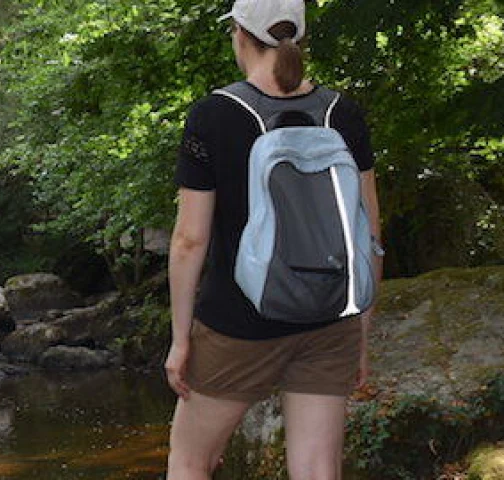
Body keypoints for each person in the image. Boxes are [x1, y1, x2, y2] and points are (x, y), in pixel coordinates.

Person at [163, 0, 382, 478]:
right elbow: (368, 231)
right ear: (300, 39)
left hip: (238, 322)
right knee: (317, 469)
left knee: (190, 459)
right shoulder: (343, 112)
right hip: (330, 316)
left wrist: (180, 341)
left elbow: (188, 241)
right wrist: (360, 334)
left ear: (240, 34)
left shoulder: (213, 115)